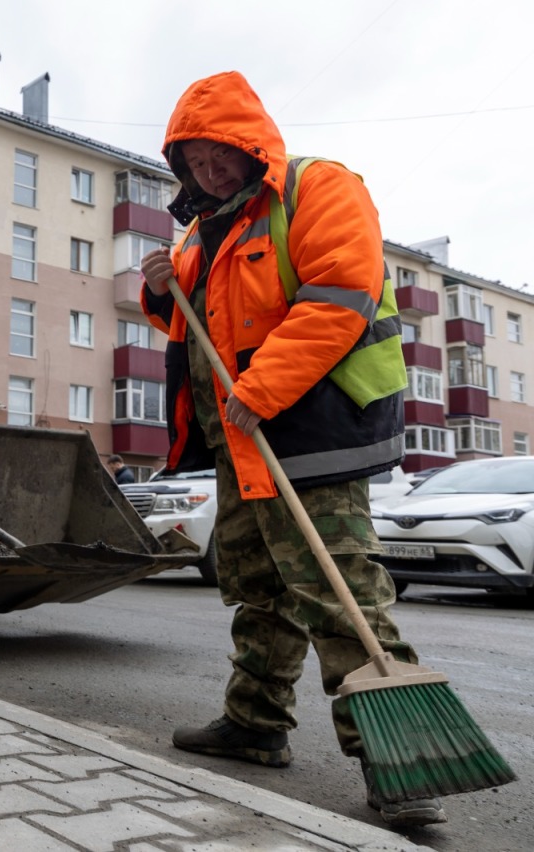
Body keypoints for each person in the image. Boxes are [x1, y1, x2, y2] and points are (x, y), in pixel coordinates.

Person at [138, 72, 442, 827]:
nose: (210, 171)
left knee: (338, 590)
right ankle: (254, 725)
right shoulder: (206, 230)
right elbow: (193, 327)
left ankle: (399, 762)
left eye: (220, 155)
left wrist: (261, 389)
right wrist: (156, 288)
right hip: (239, 440)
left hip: (310, 431)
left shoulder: (317, 189)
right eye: (195, 162)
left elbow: (340, 295)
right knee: (259, 588)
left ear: (252, 143)